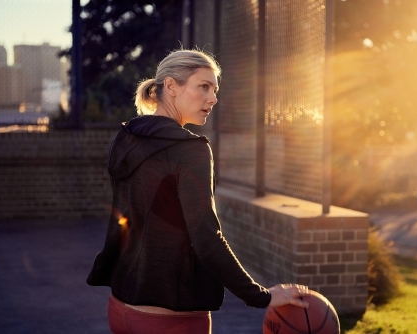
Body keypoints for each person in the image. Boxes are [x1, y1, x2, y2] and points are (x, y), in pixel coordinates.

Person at [86, 49, 309, 334]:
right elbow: (206, 238)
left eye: (215, 90)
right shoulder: (191, 150)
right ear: (170, 86)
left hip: (121, 309)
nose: (213, 98)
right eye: (203, 86)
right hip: (170, 318)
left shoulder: (126, 136)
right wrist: (261, 295)